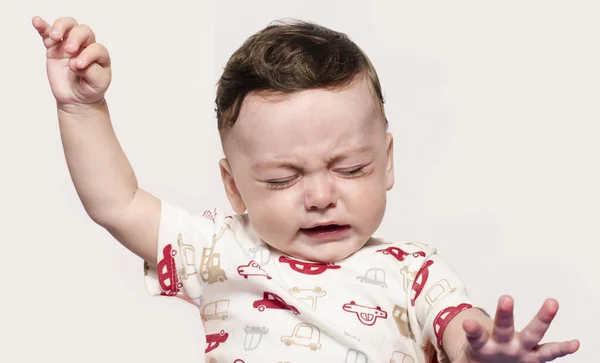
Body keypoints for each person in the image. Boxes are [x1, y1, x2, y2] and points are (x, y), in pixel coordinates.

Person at [32, 15, 580, 363]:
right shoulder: (221, 248)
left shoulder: (414, 270)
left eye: (350, 169)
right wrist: (82, 108)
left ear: (387, 162)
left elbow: (458, 323)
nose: (320, 196)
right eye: (282, 179)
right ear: (235, 187)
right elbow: (117, 203)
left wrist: (482, 352)